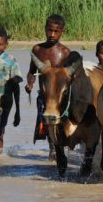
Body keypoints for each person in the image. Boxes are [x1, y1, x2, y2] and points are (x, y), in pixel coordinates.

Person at [24, 14, 70, 158]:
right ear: (45, 29)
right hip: (44, 96)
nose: (52, 34)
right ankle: (53, 149)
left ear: (62, 32)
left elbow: (68, 76)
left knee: (61, 124)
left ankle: (60, 148)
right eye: (49, 30)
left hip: (60, 97)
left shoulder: (65, 52)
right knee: (47, 124)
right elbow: (32, 72)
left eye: (56, 31)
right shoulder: (38, 50)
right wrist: (30, 83)